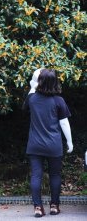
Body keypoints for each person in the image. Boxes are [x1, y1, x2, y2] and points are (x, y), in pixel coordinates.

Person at [23, 68, 73, 218]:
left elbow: (26, 104)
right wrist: (69, 142)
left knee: (36, 176)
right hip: (54, 145)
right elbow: (64, 123)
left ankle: (38, 208)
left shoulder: (32, 99)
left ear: (40, 82)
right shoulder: (59, 100)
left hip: (34, 145)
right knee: (55, 175)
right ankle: (54, 206)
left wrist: (33, 86)